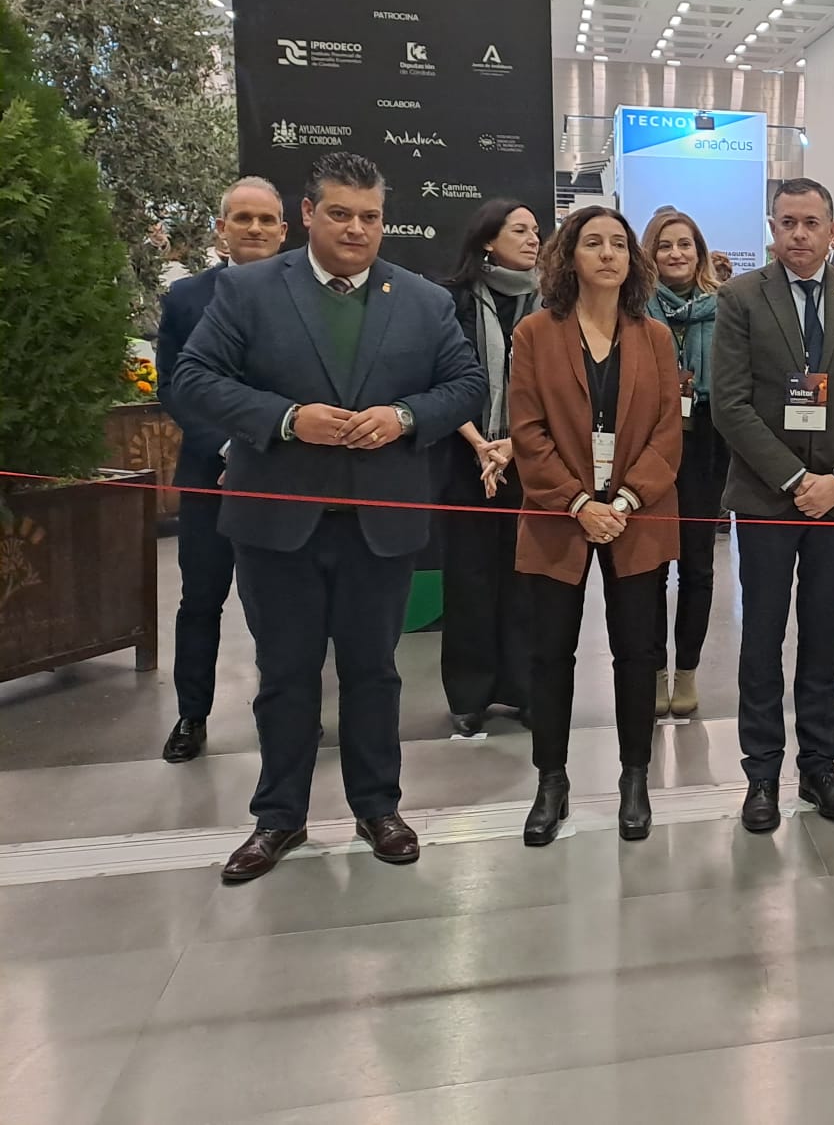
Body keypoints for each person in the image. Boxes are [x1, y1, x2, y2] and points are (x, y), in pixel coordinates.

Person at [174, 152, 485, 883]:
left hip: (381, 526)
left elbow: (467, 383)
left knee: (374, 672)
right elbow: (192, 378)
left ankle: (378, 807)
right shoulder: (249, 290)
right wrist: (286, 419)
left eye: (370, 217)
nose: (356, 229)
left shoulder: (422, 300)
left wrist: (405, 416)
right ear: (308, 214)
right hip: (277, 526)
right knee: (285, 673)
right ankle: (278, 816)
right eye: (340, 214)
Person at [711, 178, 834, 833]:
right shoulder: (740, 298)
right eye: (787, 222)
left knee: (824, 637)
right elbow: (730, 404)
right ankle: (761, 773)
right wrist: (795, 480)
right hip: (768, 499)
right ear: (772, 228)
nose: (799, 234)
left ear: (830, 232)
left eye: (811, 222)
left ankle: (821, 765)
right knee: (762, 639)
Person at [510, 207, 682, 844]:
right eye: (592, 243)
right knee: (550, 653)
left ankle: (635, 778)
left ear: (632, 260)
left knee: (637, 652)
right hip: (559, 517)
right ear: (569, 257)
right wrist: (580, 503)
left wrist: (627, 500)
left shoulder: (654, 337)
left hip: (638, 517)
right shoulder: (535, 333)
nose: (608, 254)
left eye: (618, 244)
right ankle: (551, 781)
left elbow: (668, 431)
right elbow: (528, 433)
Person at [155, 175, 287, 763]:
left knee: (281, 607)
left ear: (284, 231)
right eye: (243, 218)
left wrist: (263, 447)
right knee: (201, 600)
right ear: (221, 229)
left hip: (282, 481)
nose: (254, 229)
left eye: (266, 220)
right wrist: (230, 447)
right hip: (208, 479)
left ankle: (289, 713)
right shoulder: (186, 300)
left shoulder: (309, 298)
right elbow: (174, 387)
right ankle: (192, 714)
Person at [437, 199, 541, 739]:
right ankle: (469, 696)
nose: (532, 239)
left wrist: (515, 446)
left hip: (533, 458)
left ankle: (525, 688)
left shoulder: (553, 302)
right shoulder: (451, 301)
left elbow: (559, 387)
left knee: (527, 579)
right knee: (470, 579)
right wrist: (481, 444)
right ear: (487, 240)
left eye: (536, 231)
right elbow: (440, 376)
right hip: (466, 457)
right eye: (519, 230)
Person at [643, 207, 726, 719]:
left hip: (706, 445)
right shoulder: (635, 307)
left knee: (698, 565)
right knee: (650, 566)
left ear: (699, 252)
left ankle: (687, 672)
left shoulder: (725, 308)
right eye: (665, 245)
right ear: (650, 254)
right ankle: (655, 672)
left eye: (685, 245)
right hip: (649, 442)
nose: (676, 254)